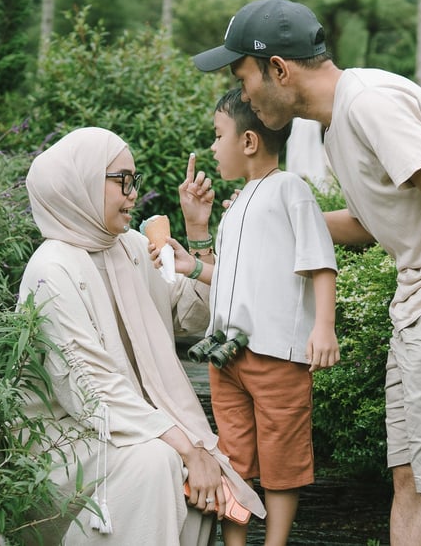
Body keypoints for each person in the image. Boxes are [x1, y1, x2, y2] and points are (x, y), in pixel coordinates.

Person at [191, 0, 421, 546]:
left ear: (277, 69)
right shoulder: (336, 128)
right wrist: (270, 216)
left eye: (244, 76)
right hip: (416, 306)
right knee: (408, 477)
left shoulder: (370, 104)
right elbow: (370, 223)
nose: (246, 97)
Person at [17, 127, 265, 546]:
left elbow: (190, 315)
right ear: (81, 181)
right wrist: (187, 447)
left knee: (185, 466)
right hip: (63, 438)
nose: (133, 194)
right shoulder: (51, 269)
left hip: (132, 418)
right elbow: (90, 389)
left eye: (135, 181)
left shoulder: (129, 247)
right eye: (122, 181)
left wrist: (198, 233)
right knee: (159, 461)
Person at [158, 88, 340, 546]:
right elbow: (238, 279)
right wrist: (192, 264)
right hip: (226, 356)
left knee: (282, 461)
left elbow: (320, 260)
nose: (213, 146)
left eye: (219, 136)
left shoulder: (291, 190)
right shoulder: (238, 203)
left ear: (250, 142)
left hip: (277, 356)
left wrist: (324, 326)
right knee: (233, 459)